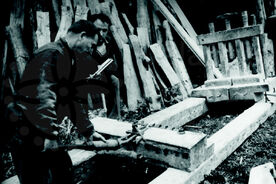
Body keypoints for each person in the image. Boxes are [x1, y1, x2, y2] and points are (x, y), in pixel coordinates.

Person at [13, 20, 133, 184]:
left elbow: (72, 100)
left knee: (64, 173)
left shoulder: (68, 58)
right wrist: (49, 134)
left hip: (44, 131)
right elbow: (42, 96)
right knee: (37, 178)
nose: (91, 51)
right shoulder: (50, 54)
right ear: (82, 36)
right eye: (91, 45)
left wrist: (88, 131)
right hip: (27, 131)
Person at [89, 13, 121, 119]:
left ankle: (116, 115)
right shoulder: (86, 44)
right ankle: (95, 117)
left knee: (115, 81)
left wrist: (109, 69)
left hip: (105, 73)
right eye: (97, 29)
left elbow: (112, 60)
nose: (101, 33)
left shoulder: (108, 43)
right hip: (90, 75)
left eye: (104, 30)